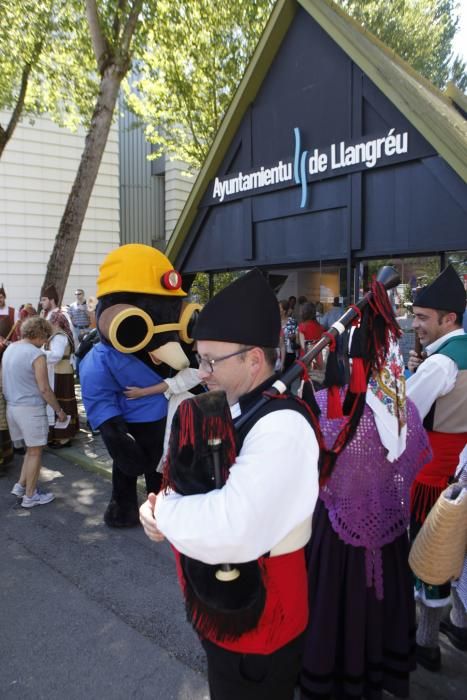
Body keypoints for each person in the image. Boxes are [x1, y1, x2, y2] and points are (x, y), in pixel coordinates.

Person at [140, 269, 320, 700]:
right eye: (198, 358)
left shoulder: (281, 428)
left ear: (253, 359)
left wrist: (162, 510)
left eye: (210, 360)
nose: (201, 372)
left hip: (262, 621)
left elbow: (232, 526)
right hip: (230, 609)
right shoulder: (243, 408)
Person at [300, 285, 432, 700]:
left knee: (331, 612)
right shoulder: (403, 407)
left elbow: (302, 473)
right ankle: (373, 680)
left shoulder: (322, 405)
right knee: (379, 612)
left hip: (333, 538)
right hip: (388, 535)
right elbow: (414, 463)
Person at [406, 264, 467, 671]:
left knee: (430, 557)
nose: (416, 324)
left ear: (450, 318)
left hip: (434, 479)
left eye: (423, 318)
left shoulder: (440, 364)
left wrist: (412, 371)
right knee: (460, 556)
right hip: (461, 470)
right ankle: (460, 626)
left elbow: (405, 413)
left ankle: (425, 643)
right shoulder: (448, 356)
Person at [2, 316, 66, 507]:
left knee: (31, 451)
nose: (46, 342)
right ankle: (30, 496)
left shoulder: (10, 348)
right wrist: (59, 410)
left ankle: (21, 486)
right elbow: (45, 388)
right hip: (30, 409)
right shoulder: (36, 354)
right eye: (46, 337)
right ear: (39, 334)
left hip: (12, 407)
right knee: (36, 452)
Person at [43, 310, 78, 447]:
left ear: (55, 322)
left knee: (62, 402)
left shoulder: (59, 337)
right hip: (59, 372)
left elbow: (55, 355)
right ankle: (60, 435)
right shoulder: (58, 335)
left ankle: (64, 437)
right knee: (60, 402)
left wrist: (38, 353)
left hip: (60, 373)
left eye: (50, 321)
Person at [0, 285, 19, 471]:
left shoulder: (13, 312)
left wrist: (8, 343)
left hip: (7, 357)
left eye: (1, 296)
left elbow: (17, 335)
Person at [279, 299, 298, 370]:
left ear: (284, 311)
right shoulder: (275, 321)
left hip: (289, 352)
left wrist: (293, 336)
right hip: (278, 352)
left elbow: (294, 335)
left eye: (279, 308)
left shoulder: (291, 321)